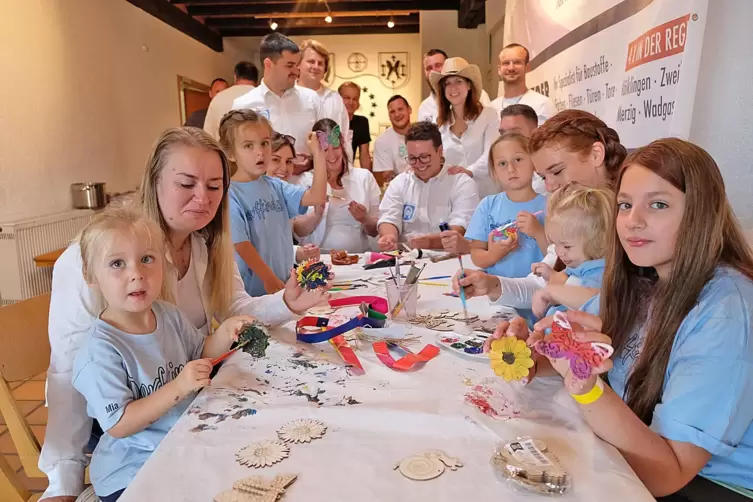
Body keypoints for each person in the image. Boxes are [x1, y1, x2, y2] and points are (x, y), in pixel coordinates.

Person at [39, 127, 328, 502]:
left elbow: (234, 311)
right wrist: (62, 483)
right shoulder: (97, 260)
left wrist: (286, 303)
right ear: (154, 183)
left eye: (213, 186)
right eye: (186, 183)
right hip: (129, 429)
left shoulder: (203, 245)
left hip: (183, 413)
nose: (202, 198)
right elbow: (68, 376)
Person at [529, 138, 753, 500]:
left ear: (701, 213)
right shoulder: (642, 278)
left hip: (711, 485)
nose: (633, 221)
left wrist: (589, 390)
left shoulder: (726, 310)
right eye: (625, 205)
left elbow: (668, 474)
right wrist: (534, 355)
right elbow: (571, 349)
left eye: (659, 204)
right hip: (637, 456)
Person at [72, 206, 253, 502]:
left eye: (146, 259)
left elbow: (200, 352)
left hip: (182, 444)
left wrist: (224, 334)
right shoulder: (99, 350)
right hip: (131, 470)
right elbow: (119, 424)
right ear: (90, 274)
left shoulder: (168, 315)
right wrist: (180, 387)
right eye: (117, 264)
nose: (136, 274)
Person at [452, 109, 627, 311]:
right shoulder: (570, 215)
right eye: (544, 177)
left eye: (557, 171)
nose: (550, 186)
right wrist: (490, 284)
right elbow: (540, 285)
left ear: (596, 154)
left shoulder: (630, 221)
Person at [221, 109, 327, 296]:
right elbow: (241, 245)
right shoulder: (230, 194)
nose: (260, 152)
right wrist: (268, 278)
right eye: (248, 146)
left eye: (265, 143)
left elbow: (316, 196)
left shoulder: (276, 186)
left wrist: (318, 154)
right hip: (253, 294)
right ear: (231, 153)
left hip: (283, 286)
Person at [377, 121, 479, 254]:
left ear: (440, 151)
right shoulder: (400, 183)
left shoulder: (461, 183)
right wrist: (389, 237)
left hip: (448, 258)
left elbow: (460, 227)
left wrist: (431, 242)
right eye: (412, 158)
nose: (419, 164)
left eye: (424, 157)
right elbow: (388, 217)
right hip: (407, 259)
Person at [232, 33, 323, 176]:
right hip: (263, 189)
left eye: (297, 65)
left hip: (306, 188)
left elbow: (326, 142)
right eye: (289, 65)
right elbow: (239, 154)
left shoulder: (312, 99)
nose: (296, 71)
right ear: (268, 64)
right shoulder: (244, 105)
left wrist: (312, 161)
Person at [466, 134, 547, 282]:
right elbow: (476, 254)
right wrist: (493, 255)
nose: (511, 169)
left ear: (534, 162)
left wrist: (538, 232)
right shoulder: (487, 206)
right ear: (494, 171)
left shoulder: (551, 206)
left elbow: (560, 258)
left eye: (518, 159)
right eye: (502, 163)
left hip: (538, 294)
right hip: (498, 294)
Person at [294, 119, 381, 253]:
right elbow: (298, 231)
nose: (332, 156)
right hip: (317, 260)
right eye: (325, 150)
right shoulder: (305, 181)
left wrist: (364, 218)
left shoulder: (364, 178)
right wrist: (317, 214)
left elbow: (376, 230)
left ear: (342, 144)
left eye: (336, 147)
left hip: (357, 260)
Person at [529, 183, 613, 319]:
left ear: (599, 241)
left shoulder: (600, 270)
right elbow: (571, 282)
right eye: (555, 244)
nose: (559, 252)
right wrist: (550, 275)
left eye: (567, 246)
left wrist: (551, 292)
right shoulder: (579, 265)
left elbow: (593, 298)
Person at [430, 57, 500, 199]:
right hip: (454, 195)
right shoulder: (439, 123)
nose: (453, 88)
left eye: (458, 81)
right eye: (447, 83)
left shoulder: (489, 115)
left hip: (486, 194)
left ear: (469, 85)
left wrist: (469, 171)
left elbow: (492, 153)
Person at [265, 132, 322, 264]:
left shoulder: (284, 191)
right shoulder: (252, 194)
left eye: (289, 161)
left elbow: (280, 245)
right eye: (276, 160)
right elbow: (259, 249)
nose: (284, 168)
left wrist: (298, 252)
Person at [296, 40, 352, 159]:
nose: (316, 67)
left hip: (329, 171)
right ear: (298, 64)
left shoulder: (335, 99)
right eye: (311, 61)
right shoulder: (287, 97)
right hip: (293, 172)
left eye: (320, 63)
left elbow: (344, 140)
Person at [417, 49, 491, 123]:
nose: (433, 71)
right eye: (429, 68)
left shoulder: (481, 96)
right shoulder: (424, 107)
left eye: (438, 65)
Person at [490, 44, 557, 125]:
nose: (511, 68)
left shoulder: (543, 104)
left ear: (527, 67)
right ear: (499, 70)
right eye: (506, 63)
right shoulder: (491, 108)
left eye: (517, 62)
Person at [204, 61, 259, 140]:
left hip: (225, 151)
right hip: (258, 151)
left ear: (235, 77)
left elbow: (208, 136)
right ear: (256, 80)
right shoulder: (267, 98)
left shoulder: (219, 98)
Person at [500, 104, 546, 195]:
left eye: (514, 132)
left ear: (535, 132)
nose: (506, 139)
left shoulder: (548, 168)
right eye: (502, 133)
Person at [372, 95, 412, 185]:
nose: (397, 114)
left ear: (409, 110)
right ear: (389, 116)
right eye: (392, 112)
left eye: (400, 109)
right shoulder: (382, 142)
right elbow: (387, 178)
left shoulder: (423, 135)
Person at [338, 81, 372, 171]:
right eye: (347, 98)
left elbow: (364, 155)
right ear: (338, 99)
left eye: (355, 99)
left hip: (349, 172)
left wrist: (368, 179)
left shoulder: (362, 122)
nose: (351, 102)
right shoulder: (330, 121)